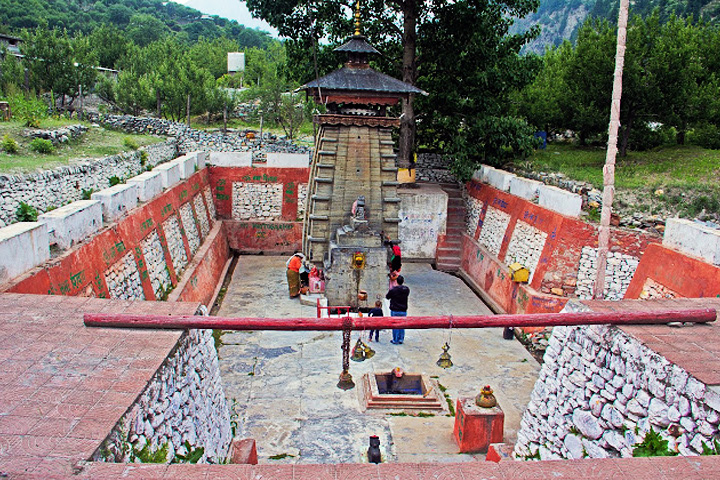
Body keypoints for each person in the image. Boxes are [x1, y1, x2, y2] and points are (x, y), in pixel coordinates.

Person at [386, 275, 409, 344]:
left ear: (396, 281)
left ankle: (395, 339)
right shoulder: (406, 289)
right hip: (403, 309)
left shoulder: (393, 290)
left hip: (395, 309)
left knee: (395, 325)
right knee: (402, 325)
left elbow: (387, 297)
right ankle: (401, 339)